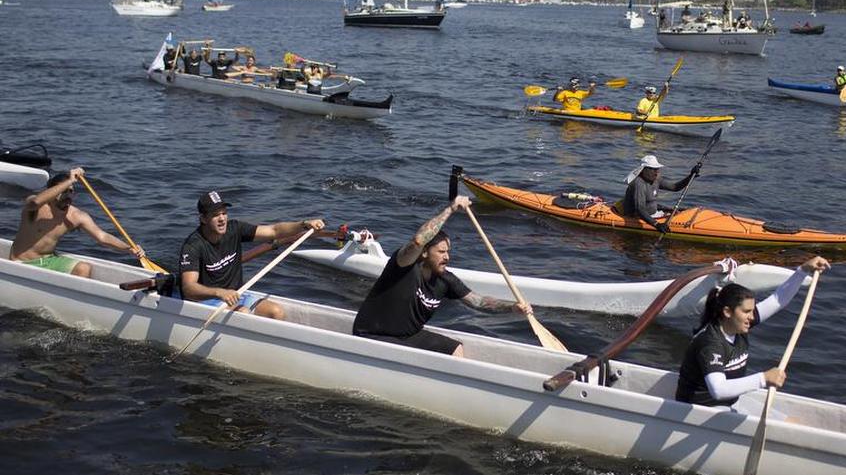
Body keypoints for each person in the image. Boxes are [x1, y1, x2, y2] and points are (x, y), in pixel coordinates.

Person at [352, 195, 531, 357]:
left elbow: (478, 302)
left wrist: (512, 308)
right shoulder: (404, 266)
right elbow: (418, 241)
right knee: (412, 356)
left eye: (448, 252)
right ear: (424, 253)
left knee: (455, 349)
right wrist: (451, 209)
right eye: (441, 251)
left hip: (408, 336)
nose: (447, 257)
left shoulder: (446, 279)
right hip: (372, 335)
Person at [676, 256, 831, 408]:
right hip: (700, 408)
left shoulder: (739, 324)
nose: (752, 317)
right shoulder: (710, 343)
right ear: (727, 312)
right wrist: (763, 378)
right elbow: (718, 390)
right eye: (746, 311)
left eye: (752, 310)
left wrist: (803, 270)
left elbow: (778, 300)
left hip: (727, 403)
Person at [178, 190, 324, 320]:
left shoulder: (235, 229)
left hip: (236, 295)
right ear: (203, 219)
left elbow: (274, 230)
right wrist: (219, 292)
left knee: (276, 312)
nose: (222, 219)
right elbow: (189, 289)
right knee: (244, 313)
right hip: (206, 300)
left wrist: (304, 224)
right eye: (215, 215)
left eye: (224, 213)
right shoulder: (193, 246)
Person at [8, 168, 145, 277]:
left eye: (71, 192)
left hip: (50, 260)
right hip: (22, 263)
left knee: (83, 268)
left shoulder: (76, 216)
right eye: (63, 191)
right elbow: (35, 202)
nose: (68, 195)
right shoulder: (35, 207)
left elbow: (102, 237)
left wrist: (128, 248)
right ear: (51, 191)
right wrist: (70, 180)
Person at [619, 155, 699, 233]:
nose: (656, 172)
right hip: (637, 217)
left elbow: (675, 187)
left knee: (678, 212)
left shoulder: (656, 179)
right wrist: (657, 225)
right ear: (644, 170)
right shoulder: (639, 184)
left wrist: (690, 176)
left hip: (654, 213)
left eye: (657, 169)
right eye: (653, 169)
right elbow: (640, 209)